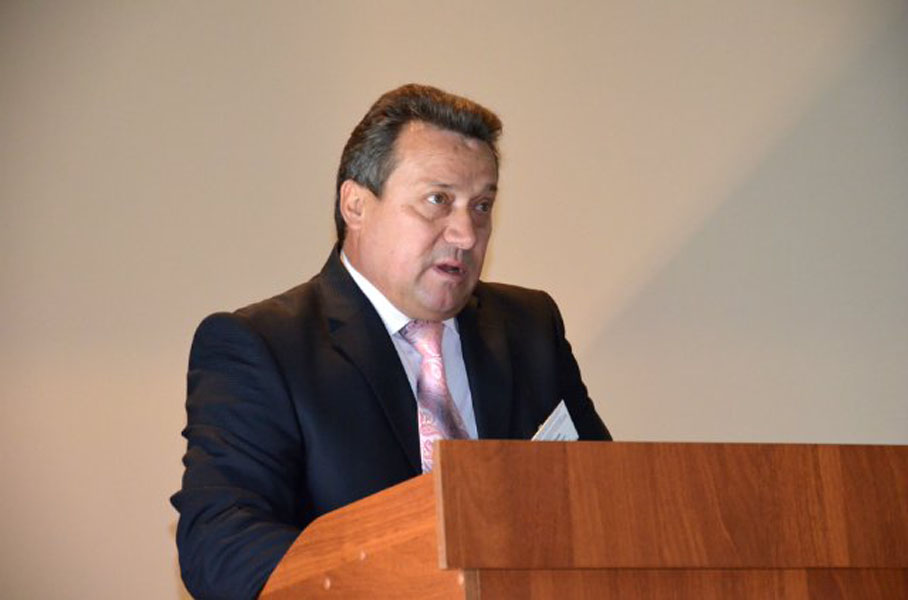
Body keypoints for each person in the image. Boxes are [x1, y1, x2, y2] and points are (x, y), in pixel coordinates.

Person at [171, 83, 611, 599]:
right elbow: (220, 541)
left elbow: (603, 497)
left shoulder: (530, 327)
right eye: (438, 200)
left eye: (482, 205)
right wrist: (394, 581)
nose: (466, 234)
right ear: (356, 204)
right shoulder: (262, 347)